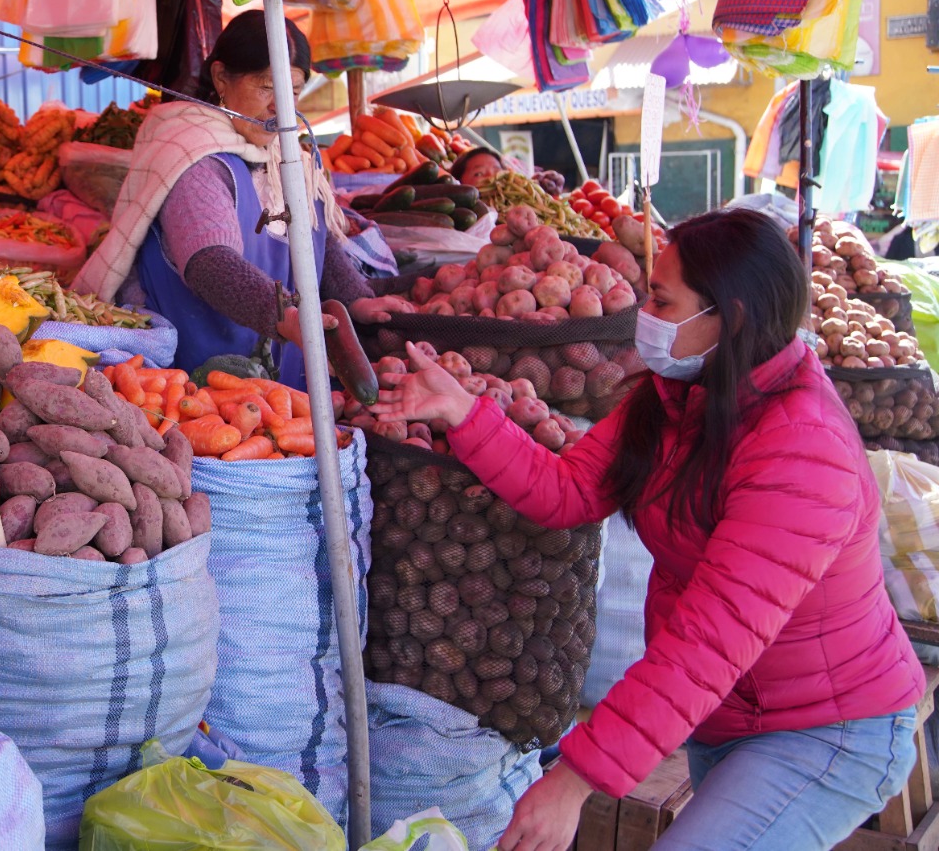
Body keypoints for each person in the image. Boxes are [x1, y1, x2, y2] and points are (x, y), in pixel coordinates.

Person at [375, 208, 923, 851]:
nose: (645, 315)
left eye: (662, 299)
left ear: (731, 317)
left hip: (829, 730)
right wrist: (466, 414)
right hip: (731, 717)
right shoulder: (679, 394)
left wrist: (574, 779)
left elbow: (709, 640)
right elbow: (569, 490)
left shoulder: (803, 452)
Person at [73, 11, 410, 388]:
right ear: (221, 78)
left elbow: (313, 238)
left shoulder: (287, 157)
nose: (280, 106)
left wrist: (356, 299)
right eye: (267, 87)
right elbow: (210, 263)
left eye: (293, 92)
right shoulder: (193, 153)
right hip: (199, 389)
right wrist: (281, 313)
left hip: (284, 385)